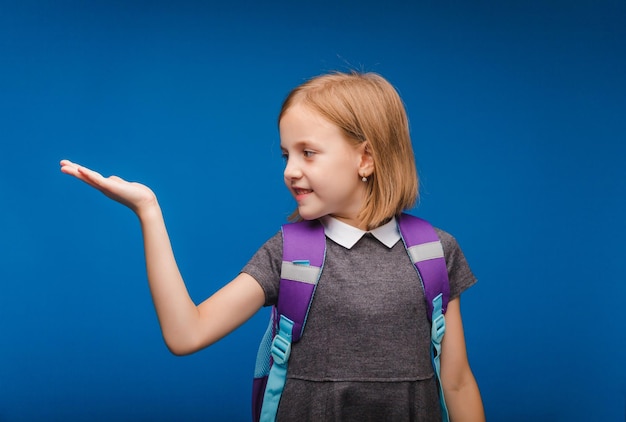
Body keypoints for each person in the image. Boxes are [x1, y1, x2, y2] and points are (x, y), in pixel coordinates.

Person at [60, 71, 485, 421]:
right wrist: (148, 211)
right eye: (286, 154)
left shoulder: (434, 252)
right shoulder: (288, 254)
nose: (290, 170)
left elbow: (457, 381)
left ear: (366, 159)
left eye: (308, 153)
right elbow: (185, 333)